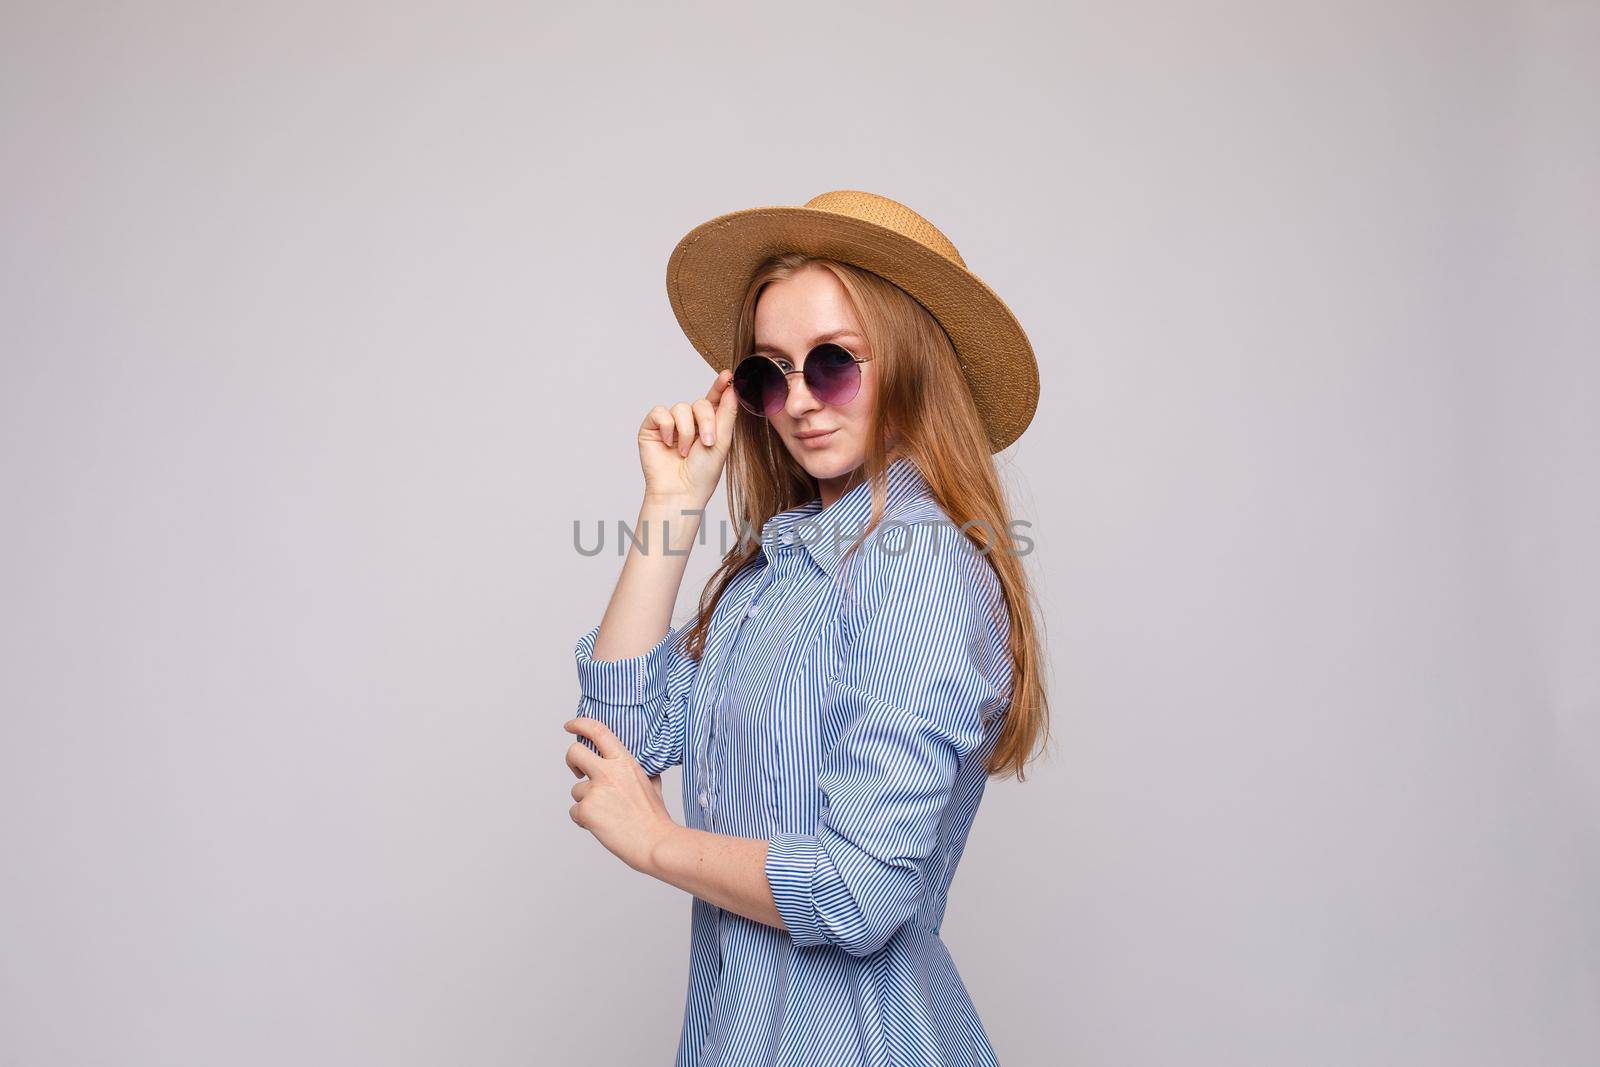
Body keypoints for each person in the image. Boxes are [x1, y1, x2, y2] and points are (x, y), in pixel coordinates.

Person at [563, 190, 1050, 1067]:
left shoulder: (916, 563)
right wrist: (672, 506)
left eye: (833, 363)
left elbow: (862, 891)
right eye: (767, 374)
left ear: (909, 362)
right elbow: (619, 742)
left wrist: (662, 842)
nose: (798, 402)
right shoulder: (777, 573)